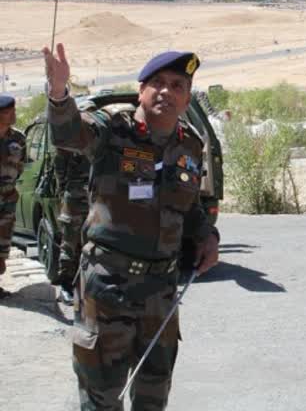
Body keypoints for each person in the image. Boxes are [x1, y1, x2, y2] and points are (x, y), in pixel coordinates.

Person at [43, 43, 219, 410]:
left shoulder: (189, 145)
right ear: (141, 90)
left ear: (187, 99)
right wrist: (60, 95)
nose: (167, 91)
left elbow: (188, 207)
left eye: (177, 85)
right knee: (102, 397)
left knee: (154, 396)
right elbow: (69, 133)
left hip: (161, 290)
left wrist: (207, 235)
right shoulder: (113, 129)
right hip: (108, 285)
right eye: (158, 82)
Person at [53, 147, 90, 305]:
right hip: (75, 197)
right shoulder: (70, 138)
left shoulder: (104, 134)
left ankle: (87, 285)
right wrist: (64, 191)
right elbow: (60, 168)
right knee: (70, 243)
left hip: (99, 196)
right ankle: (66, 287)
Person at [0, 95, 25, 299]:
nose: (14, 114)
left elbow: (21, 165)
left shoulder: (18, 138)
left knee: (3, 242)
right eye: (10, 111)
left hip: (8, 197)